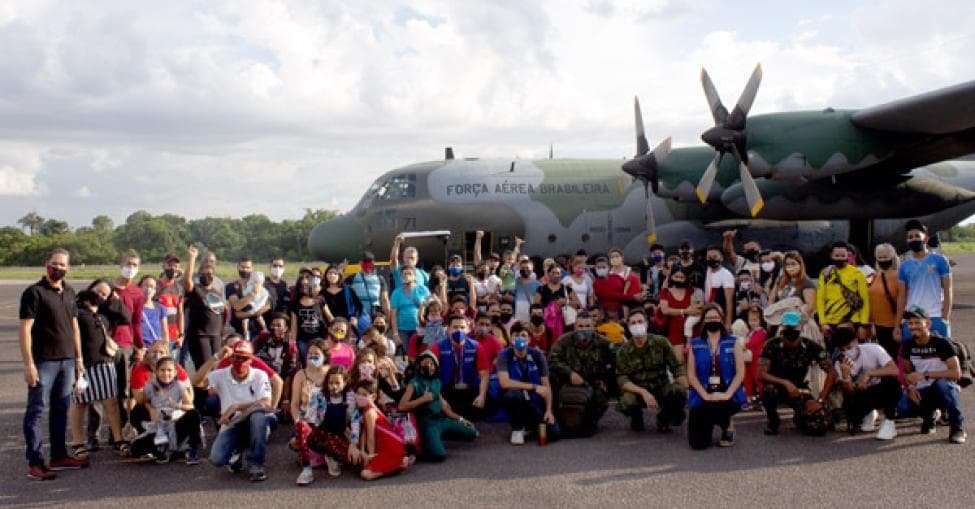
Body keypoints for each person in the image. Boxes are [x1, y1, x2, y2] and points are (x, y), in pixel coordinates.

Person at [20, 248, 89, 480]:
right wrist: (29, 364)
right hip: (44, 361)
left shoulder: (69, 292)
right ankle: (36, 462)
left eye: (62, 265)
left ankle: (59, 455)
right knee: (36, 411)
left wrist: (79, 359)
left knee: (61, 408)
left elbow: (74, 327)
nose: (58, 268)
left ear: (68, 268)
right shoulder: (34, 293)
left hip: (68, 361)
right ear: (46, 264)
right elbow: (25, 329)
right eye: (54, 263)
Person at [68, 284, 128, 458]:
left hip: (104, 363)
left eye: (104, 294)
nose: (100, 296)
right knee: (79, 403)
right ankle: (78, 443)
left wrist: (115, 300)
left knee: (111, 402)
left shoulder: (103, 314)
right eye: (97, 292)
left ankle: (118, 439)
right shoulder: (76, 313)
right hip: (82, 364)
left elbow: (125, 318)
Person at [758, 310, 836, 436]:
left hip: (800, 390)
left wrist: (820, 400)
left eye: (794, 326)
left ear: (800, 327)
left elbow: (832, 372)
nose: (791, 329)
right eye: (788, 326)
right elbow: (761, 374)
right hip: (777, 386)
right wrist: (785, 383)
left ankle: (801, 417)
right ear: (782, 327)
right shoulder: (771, 345)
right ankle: (773, 420)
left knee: (819, 427)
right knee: (768, 389)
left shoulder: (810, 346)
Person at [206, 341, 273, 482]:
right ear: (231, 358)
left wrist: (237, 406)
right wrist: (215, 357)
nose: (240, 362)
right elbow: (196, 382)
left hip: (252, 421)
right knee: (216, 459)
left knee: (258, 416)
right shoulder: (220, 374)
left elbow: (266, 402)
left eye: (245, 358)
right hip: (232, 424)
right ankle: (237, 448)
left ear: (251, 360)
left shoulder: (259, 375)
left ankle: (256, 464)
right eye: (237, 357)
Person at [899, 307, 966, 443]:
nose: (913, 327)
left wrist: (926, 375)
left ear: (927, 324)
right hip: (922, 391)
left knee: (943, 385)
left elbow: (956, 373)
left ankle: (957, 427)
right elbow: (907, 372)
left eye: (917, 322)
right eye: (910, 323)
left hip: (942, 387)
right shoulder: (908, 346)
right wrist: (910, 387)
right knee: (903, 407)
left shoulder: (942, 343)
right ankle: (929, 416)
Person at [398, 351, 479, 462]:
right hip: (427, 424)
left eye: (432, 364)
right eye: (426, 363)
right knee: (439, 455)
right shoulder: (414, 383)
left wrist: (460, 419)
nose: (430, 366)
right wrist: (422, 399)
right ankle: (427, 443)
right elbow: (401, 406)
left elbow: (444, 408)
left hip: (441, 420)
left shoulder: (436, 381)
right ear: (419, 365)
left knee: (472, 432)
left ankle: (436, 439)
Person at [616, 309, 687, 433]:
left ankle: (664, 418)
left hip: (661, 387)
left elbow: (675, 366)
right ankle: (636, 416)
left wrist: (684, 383)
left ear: (647, 324)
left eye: (640, 321)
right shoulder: (624, 351)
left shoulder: (661, 342)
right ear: (628, 327)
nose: (637, 325)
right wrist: (643, 392)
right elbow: (622, 378)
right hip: (638, 391)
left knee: (678, 392)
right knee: (627, 401)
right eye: (633, 323)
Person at [686, 304, 746, 449]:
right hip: (704, 393)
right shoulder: (695, 344)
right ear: (703, 321)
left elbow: (740, 372)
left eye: (715, 317)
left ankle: (728, 426)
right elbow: (691, 375)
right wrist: (705, 395)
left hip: (728, 392)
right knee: (697, 444)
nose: (712, 320)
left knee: (718, 407)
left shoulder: (733, 342)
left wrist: (727, 394)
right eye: (708, 318)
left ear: (721, 319)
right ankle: (711, 422)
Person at [547, 313, 616, 436]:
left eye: (588, 326)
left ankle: (589, 422)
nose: (584, 329)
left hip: (592, 381)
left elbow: (616, 361)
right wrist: (570, 373)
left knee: (600, 398)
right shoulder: (564, 340)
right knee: (552, 377)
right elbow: (552, 359)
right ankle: (558, 419)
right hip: (568, 380)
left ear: (594, 327)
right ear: (575, 327)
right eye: (581, 326)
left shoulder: (604, 343)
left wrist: (606, 378)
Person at [831, 324, 901, 440]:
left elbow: (895, 370)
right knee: (852, 416)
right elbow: (849, 392)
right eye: (842, 350)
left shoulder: (873, 349)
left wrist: (869, 374)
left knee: (892, 383)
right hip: (861, 394)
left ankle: (889, 421)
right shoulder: (840, 363)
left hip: (880, 389)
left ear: (856, 341)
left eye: (849, 347)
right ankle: (868, 413)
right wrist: (845, 376)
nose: (847, 352)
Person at [129, 356, 202, 464]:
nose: (166, 373)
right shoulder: (150, 386)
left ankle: (191, 449)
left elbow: (190, 406)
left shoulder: (179, 385)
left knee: (193, 415)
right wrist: (151, 408)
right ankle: (164, 449)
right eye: (162, 370)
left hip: (176, 422)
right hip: (160, 426)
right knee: (135, 450)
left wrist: (177, 406)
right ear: (156, 372)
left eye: (169, 370)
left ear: (175, 372)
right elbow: (142, 401)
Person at [293, 366, 357, 486]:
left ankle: (331, 456)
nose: (334, 386)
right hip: (321, 434)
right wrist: (306, 404)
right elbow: (308, 419)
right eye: (331, 382)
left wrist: (354, 444)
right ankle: (306, 470)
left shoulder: (350, 396)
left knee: (352, 460)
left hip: (339, 436)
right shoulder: (319, 395)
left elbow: (355, 421)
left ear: (345, 382)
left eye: (337, 382)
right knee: (301, 424)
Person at [496, 329, 559, 445]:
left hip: (533, 400)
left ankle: (530, 426)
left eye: (523, 335)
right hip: (515, 397)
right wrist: (533, 387)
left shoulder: (537, 355)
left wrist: (549, 411)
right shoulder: (504, 355)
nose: (520, 338)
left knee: (553, 433)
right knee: (512, 395)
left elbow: (546, 385)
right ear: (511, 339)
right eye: (516, 335)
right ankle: (517, 429)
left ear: (529, 339)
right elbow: (504, 383)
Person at [895, 220, 952, 341]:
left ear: (925, 238)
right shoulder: (904, 266)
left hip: (935, 317)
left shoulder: (940, 260)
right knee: (912, 357)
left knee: (940, 356)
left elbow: (948, 290)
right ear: (907, 241)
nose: (913, 239)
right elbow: (901, 296)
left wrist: (945, 318)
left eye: (917, 236)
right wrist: (897, 324)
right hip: (912, 319)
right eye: (910, 237)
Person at [429, 315, 492, 419]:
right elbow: (430, 376)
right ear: (448, 329)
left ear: (468, 329)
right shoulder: (438, 347)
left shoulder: (476, 346)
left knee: (489, 403)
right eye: (455, 327)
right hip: (447, 390)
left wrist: (481, 396)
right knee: (436, 406)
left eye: (462, 327)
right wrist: (440, 399)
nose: (459, 330)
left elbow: (484, 374)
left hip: (469, 390)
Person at [352, 379, 411, 480]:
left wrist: (371, 456)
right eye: (358, 393)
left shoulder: (369, 413)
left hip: (391, 449)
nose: (360, 397)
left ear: (373, 397)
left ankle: (399, 463)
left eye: (364, 394)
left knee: (366, 474)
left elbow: (370, 438)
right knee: (364, 466)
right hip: (388, 447)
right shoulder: (367, 409)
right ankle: (398, 461)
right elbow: (364, 432)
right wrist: (362, 450)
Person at [183, 245, 228, 369]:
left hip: (215, 335)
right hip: (200, 335)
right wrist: (192, 258)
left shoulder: (216, 291)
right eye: (203, 274)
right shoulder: (196, 289)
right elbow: (187, 281)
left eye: (210, 274)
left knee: (216, 367)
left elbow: (223, 310)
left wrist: (222, 329)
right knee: (204, 366)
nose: (207, 276)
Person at [817, 242, 870, 337]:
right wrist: (823, 322)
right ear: (831, 256)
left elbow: (865, 300)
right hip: (830, 322)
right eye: (836, 255)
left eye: (843, 255)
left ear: (848, 256)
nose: (840, 258)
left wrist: (864, 324)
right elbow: (820, 299)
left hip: (852, 321)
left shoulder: (858, 274)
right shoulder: (825, 274)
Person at [657, 268, 701, 360]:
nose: (678, 279)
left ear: (686, 278)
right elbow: (665, 310)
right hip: (675, 329)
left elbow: (698, 309)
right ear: (671, 277)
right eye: (676, 276)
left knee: (695, 360)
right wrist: (685, 311)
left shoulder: (691, 291)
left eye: (682, 277)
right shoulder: (666, 292)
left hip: (693, 328)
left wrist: (681, 311)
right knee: (679, 360)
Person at [868, 243, 901, 359]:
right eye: (880, 257)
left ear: (892, 258)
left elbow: (901, 304)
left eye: (885, 257)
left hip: (892, 326)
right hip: (877, 326)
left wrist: (897, 327)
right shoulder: (876, 276)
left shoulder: (898, 277)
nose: (882, 260)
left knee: (894, 359)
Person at [288, 340, 330, 426]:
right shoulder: (300, 375)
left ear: (325, 356)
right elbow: (294, 404)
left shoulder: (331, 373)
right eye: (310, 353)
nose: (312, 356)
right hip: (306, 420)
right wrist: (299, 422)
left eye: (316, 354)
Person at [289, 274, 328, 364]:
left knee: (320, 362)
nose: (304, 287)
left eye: (306, 284)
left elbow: (329, 316)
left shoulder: (320, 300)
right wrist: (293, 342)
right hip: (303, 339)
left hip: (319, 338)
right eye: (302, 285)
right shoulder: (295, 303)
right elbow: (294, 324)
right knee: (307, 363)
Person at [390, 265, 431, 346]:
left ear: (414, 276)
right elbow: (393, 314)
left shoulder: (423, 289)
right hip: (402, 330)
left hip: (420, 328)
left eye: (409, 273)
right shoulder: (396, 292)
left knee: (420, 355)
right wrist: (395, 334)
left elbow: (430, 307)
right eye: (404, 274)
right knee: (405, 356)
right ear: (401, 277)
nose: (406, 276)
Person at [156, 253, 185, 359]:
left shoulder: (179, 288)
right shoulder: (155, 286)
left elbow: (180, 313)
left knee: (171, 367)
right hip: (158, 335)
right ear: (163, 266)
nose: (173, 268)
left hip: (174, 335)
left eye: (176, 266)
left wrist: (181, 335)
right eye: (170, 265)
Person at [703, 246, 735, 329]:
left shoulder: (726, 274)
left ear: (721, 258)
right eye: (709, 257)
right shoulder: (705, 272)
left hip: (719, 314)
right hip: (705, 312)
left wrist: (728, 321)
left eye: (715, 257)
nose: (712, 259)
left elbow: (729, 300)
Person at [321, 264, 360, 330]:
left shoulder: (348, 290)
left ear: (339, 276)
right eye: (329, 273)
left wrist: (355, 317)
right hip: (328, 327)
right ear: (326, 275)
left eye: (335, 273)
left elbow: (358, 306)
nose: (332, 275)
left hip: (346, 326)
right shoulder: (322, 292)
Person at [138, 275, 169, 350]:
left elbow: (165, 332)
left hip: (155, 350)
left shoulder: (160, 308)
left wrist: (165, 348)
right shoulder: (134, 307)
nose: (148, 289)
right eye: (145, 285)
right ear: (139, 288)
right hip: (140, 349)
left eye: (152, 287)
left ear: (155, 290)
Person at [513, 258, 541, 323]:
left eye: (527, 268)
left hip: (531, 317)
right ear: (519, 269)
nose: (525, 269)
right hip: (516, 318)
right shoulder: (514, 283)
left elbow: (539, 303)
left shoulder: (538, 284)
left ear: (532, 269)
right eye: (523, 268)